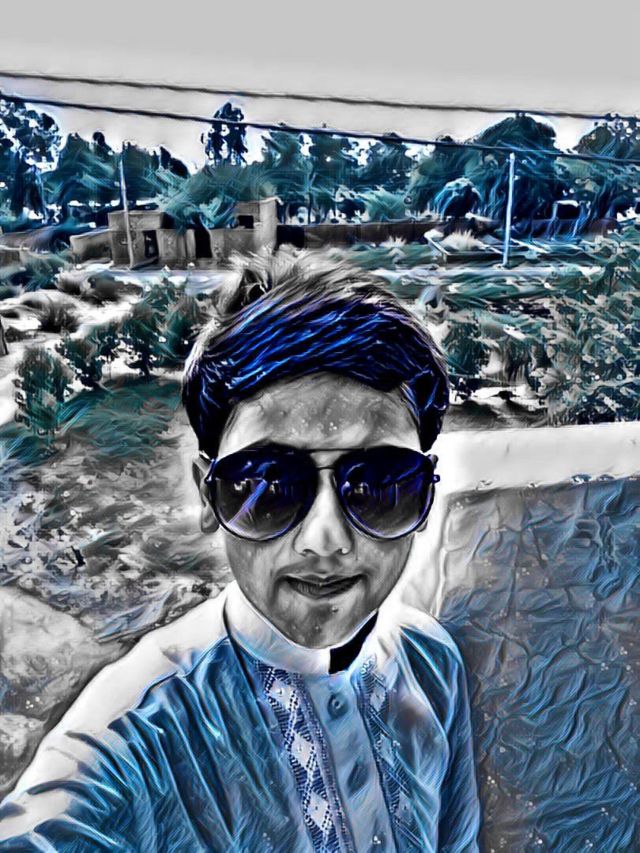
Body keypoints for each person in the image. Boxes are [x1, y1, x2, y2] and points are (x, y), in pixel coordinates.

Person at [0, 250, 480, 852]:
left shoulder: (432, 662)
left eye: (380, 485)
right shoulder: (128, 746)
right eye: (267, 486)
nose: (325, 538)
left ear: (425, 493)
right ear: (208, 495)